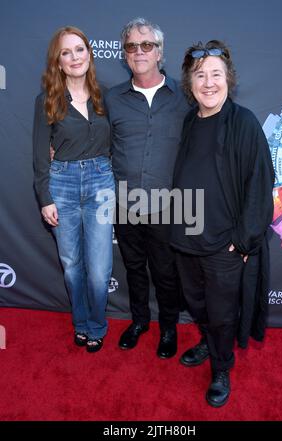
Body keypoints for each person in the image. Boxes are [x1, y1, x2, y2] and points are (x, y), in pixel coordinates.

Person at [171, 40, 274, 406]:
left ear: (228, 79)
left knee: (221, 313)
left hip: (224, 245)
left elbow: (261, 184)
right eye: (201, 75)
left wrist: (243, 241)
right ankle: (208, 341)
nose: (209, 83)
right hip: (185, 239)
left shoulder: (243, 122)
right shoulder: (188, 121)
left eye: (216, 74)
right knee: (197, 305)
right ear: (190, 83)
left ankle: (221, 367)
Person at [105, 18, 190, 358]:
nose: (139, 52)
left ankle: (168, 328)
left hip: (170, 204)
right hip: (124, 202)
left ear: (159, 52)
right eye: (131, 46)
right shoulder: (112, 99)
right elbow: (95, 140)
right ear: (124, 54)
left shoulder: (184, 97)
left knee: (166, 272)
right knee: (134, 267)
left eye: (146, 45)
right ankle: (140, 321)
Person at [33, 26, 115, 353]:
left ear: (89, 54)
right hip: (62, 184)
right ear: (58, 61)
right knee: (71, 266)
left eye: (79, 49)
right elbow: (40, 153)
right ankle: (80, 322)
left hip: (101, 182)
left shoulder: (106, 95)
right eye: (66, 52)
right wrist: (45, 197)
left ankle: (97, 324)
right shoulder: (47, 100)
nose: (74, 57)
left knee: (99, 270)